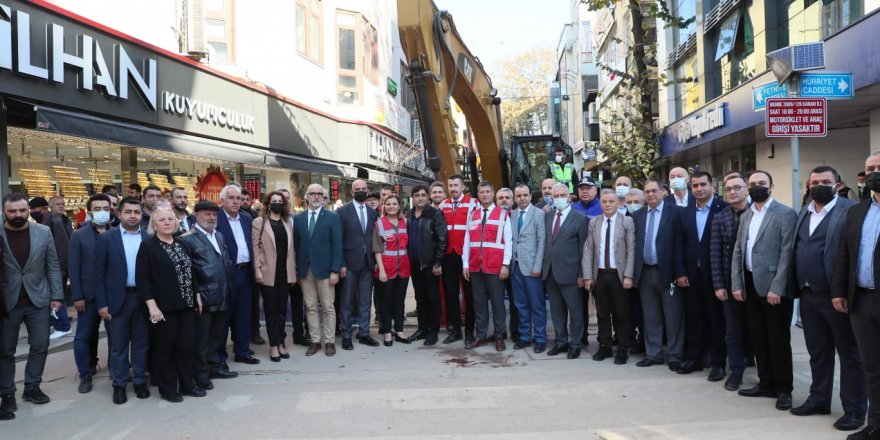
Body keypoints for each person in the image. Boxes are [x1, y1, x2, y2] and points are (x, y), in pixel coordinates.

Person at [788, 166, 866, 431]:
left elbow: (852, 253)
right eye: (815, 182)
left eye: (825, 181)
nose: (819, 186)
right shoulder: (805, 211)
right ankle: (819, 398)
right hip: (808, 296)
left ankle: (855, 410)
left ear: (837, 184)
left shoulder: (850, 211)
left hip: (837, 297)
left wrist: (841, 291)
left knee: (849, 354)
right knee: (818, 352)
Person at [731, 170, 798, 411]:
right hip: (750, 284)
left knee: (778, 340)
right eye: (752, 184)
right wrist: (737, 284)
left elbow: (787, 255)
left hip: (773, 289)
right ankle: (766, 383)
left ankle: (784, 389)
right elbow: (739, 250)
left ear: (771, 186)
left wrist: (777, 287)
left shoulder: (785, 214)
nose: (756, 187)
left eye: (761, 183)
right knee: (759, 338)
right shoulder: (747, 214)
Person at [0, 193, 64, 414]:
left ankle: (32, 386)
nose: (18, 215)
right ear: (3, 212)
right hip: (6, 304)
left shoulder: (42, 232)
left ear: (28, 210)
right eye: (12, 211)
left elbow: (53, 266)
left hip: (38, 300)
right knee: (5, 351)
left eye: (22, 210)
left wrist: (57, 296)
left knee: (40, 345)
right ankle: (7, 393)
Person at [833, 152, 880, 440]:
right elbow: (844, 255)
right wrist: (839, 291)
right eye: (870, 169)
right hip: (862, 301)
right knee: (872, 367)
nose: (875, 172)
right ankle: (875, 424)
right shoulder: (857, 211)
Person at [136, 207, 204, 402]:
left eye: (170, 219)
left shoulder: (182, 244)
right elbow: (143, 279)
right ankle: (168, 389)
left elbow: (191, 273)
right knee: (166, 349)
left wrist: (197, 295)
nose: (167, 222)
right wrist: (151, 306)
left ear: (176, 223)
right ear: (154, 225)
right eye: (162, 220)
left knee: (186, 346)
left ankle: (187, 385)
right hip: (164, 308)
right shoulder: (148, 247)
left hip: (187, 305)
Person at [94, 197, 151, 404]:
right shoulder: (107, 239)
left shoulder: (148, 237)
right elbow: (98, 275)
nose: (133, 216)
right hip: (117, 299)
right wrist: (101, 303)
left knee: (141, 344)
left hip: (143, 299)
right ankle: (119, 385)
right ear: (119, 214)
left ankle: (139, 381)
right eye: (128, 212)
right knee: (117, 346)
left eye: (137, 212)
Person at [179, 200, 238, 390]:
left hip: (223, 294)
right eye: (207, 214)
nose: (211, 217)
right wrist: (195, 295)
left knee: (218, 337)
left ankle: (216, 367)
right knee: (202, 340)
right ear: (196, 215)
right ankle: (201, 374)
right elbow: (187, 272)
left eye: (214, 214)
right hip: (204, 297)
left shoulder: (219, 235)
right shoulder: (187, 239)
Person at [677, 171, 729, 379]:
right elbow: (679, 245)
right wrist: (680, 272)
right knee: (694, 320)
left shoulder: (723, 209)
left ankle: (718, 363)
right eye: (695, 185)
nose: (699, 189)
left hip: (715, 277)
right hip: (691, 276)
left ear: (713, 186)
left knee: (717, 322)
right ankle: (695, 358)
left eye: (703, 185)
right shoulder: (685, 212)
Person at [632, 178, 686, 370]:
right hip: (645, 273)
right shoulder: (637, 215)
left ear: (663, 191)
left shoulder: (677, 213)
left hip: (669, 274)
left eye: (654, 190)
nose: (650, 194)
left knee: (673, 316)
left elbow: (681, 244)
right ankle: (653, 354)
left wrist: (680, 273)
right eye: (647, 191)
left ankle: (674, 355)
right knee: (650, 315)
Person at [709, 172, 753, 391]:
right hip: (728, 283)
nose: (733, 192)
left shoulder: (758, 213)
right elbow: (714, 253)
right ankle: (736, 371)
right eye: (728, 189)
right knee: (732, 330)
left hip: (756, 283)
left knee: (757, 330)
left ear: (747, 188)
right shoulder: (720, 217)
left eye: (737, 187)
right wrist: (718, 285)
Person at [583, 189, 636, 364]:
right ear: (600, 203)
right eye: (604, 201)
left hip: (618, 276)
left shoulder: (626, 221)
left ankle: (622, 348)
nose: (607, 205)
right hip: (600, 275)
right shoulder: (594, 223)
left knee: (621, 315)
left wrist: (628, 275)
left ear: (617, 203)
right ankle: (604, 346)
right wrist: (588, 276)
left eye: (611, 201)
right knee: (602, 315)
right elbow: (589, 249)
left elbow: (631, 249)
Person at [69, 194, 113, 393]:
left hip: (112, 295)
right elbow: (74, 267)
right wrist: (77, 296)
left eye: (106, 208)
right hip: (87, 296)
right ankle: (85, 374)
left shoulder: (117, 233)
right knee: (84, 336)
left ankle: (116, 369)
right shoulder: (79, 235)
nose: (102, 212)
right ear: (89, 212)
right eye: (97, 209)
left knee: (115, 335)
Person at [462, 181, 512, 351]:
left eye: (487, 192)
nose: (484, 194)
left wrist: (506, 264)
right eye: (481, 191)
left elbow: (508, 242)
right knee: (479, 303)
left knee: (498, 303)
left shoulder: (503, 215)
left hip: (495, 266)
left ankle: (499, 336)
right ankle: (481, 335)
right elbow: (467, 241)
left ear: (493, 194)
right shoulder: (473, 215)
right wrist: (465, 264)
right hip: (476, 266)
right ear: (478, 194)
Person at [294, 184, 342, 357]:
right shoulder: (297, 219)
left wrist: (335, 270)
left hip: (326, 271)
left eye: (319, 194)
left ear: (323, 197)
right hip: (305, 271)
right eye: (312, 193)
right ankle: (315, 340)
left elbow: (338, 245)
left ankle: (329, 341)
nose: (316, 197)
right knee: (310, 307)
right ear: (306, 196)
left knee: (328, 307)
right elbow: (296, 246)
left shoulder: (332, 217)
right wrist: (297, 271)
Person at [542, 183, 589, 359]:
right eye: (556, 196)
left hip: (571, 274)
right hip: (551, 272)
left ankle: (576, 343)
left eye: (562, 195)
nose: (559, 198)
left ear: (569, 196)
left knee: (575, 311)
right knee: (556, 311)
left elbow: (584, 249)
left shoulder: (581, 218)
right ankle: (561, 342)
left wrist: (582, 274)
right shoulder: (548, 216)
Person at [215, 184, 260, 364]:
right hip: (226, 274)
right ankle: (219, 357)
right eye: (232, 198)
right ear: (223, 200)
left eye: (238, 198)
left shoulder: (246, 218)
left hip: (245, 271)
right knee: (224, 316)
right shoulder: (215, 218)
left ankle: (242, 351)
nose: (236, 202)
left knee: (243, 314)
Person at [251, 192, 297, 362]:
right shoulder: (259, 222)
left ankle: (281, 342)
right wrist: (257, 270)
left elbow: (292, 249)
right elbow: (255, 248)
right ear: (268, 204)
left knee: (282, 310)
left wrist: (294, 272)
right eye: (274, 201)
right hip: (267, 272)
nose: (277, 204)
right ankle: (273, 346)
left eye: (280, 201)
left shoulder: (288, 222)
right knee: (271, 311)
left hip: (285, 273)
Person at [337, 180, 381, 350]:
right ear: (351, 192)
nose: (361, 191)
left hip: (368, 264)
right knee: (347, 302)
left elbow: (375, 239)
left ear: (367, 190)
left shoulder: (373, 213)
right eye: (358, 189)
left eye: (364, 189)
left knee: (365, 301)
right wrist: (341, 263)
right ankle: (347, 335)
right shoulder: (342, 212)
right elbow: (338, 240)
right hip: (348, 264)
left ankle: (364, 333)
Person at [406, 185, 447, 345]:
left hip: (430, 265)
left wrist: (438, 262)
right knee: (420, 298)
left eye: (423, 195)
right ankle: (422, 329)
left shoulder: (435, 213)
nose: (420, 198)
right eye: (417, 195)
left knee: (433, 298)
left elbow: (442, 239)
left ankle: (433, 332)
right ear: (413, 198)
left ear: (428, 197)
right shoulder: (409, 214)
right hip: (414, 264)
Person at [440, 174, 477, 345]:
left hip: (467, 255)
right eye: (451, 185)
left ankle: (470, 330)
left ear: (463, 187)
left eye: (456, 185)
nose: (453, 188)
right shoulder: (443, 205)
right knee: (451, 294)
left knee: (470, 295)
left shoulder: (473, 203)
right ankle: (456, 330)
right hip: (449, 256)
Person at [510, 184, 547, 353]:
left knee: (537, 305)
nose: (522, 198)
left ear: (531, 196)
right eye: (519, 196)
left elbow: (542, 241)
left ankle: (540, 338)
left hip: (532, 267)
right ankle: (524, 337)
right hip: (515, 267)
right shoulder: (511, 215)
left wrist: (537, 266)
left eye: (525, 195)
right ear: (515, 198)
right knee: (521, 304)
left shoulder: (539, 214)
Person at [372, 195, 411, 346]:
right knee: (386, 302)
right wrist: (381, 270)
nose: (392, 206)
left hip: (403, 269)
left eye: (395, 204)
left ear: (399, 206)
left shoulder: (405, 222)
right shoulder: (379, 224)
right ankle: (388, 333)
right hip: (386, 270)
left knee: (399, 302)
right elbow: (377, 249)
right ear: (383, 207)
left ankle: (400, 331)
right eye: (388, 204)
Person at [43, 195, 73, 340]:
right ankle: (60, 324)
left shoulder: (64, 220)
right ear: (51, 207)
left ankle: (62, 325)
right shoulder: (51, 220)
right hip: (58, 265)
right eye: (57, 204)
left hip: (64, 264)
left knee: (56, 294)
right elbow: (54, 246)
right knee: (56, 294)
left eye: (62, 204)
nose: (61, 206)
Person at [494, 187, 518, 341]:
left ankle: (516, 332)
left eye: (507, 198)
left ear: (512, 200)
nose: (503, 200)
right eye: (500, 198)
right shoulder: (492, 216)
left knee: (516, 301)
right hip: (496, 266)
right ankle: (499, 332)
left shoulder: (518, 216)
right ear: (496, 201)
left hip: (516, 267)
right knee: (497, 301)